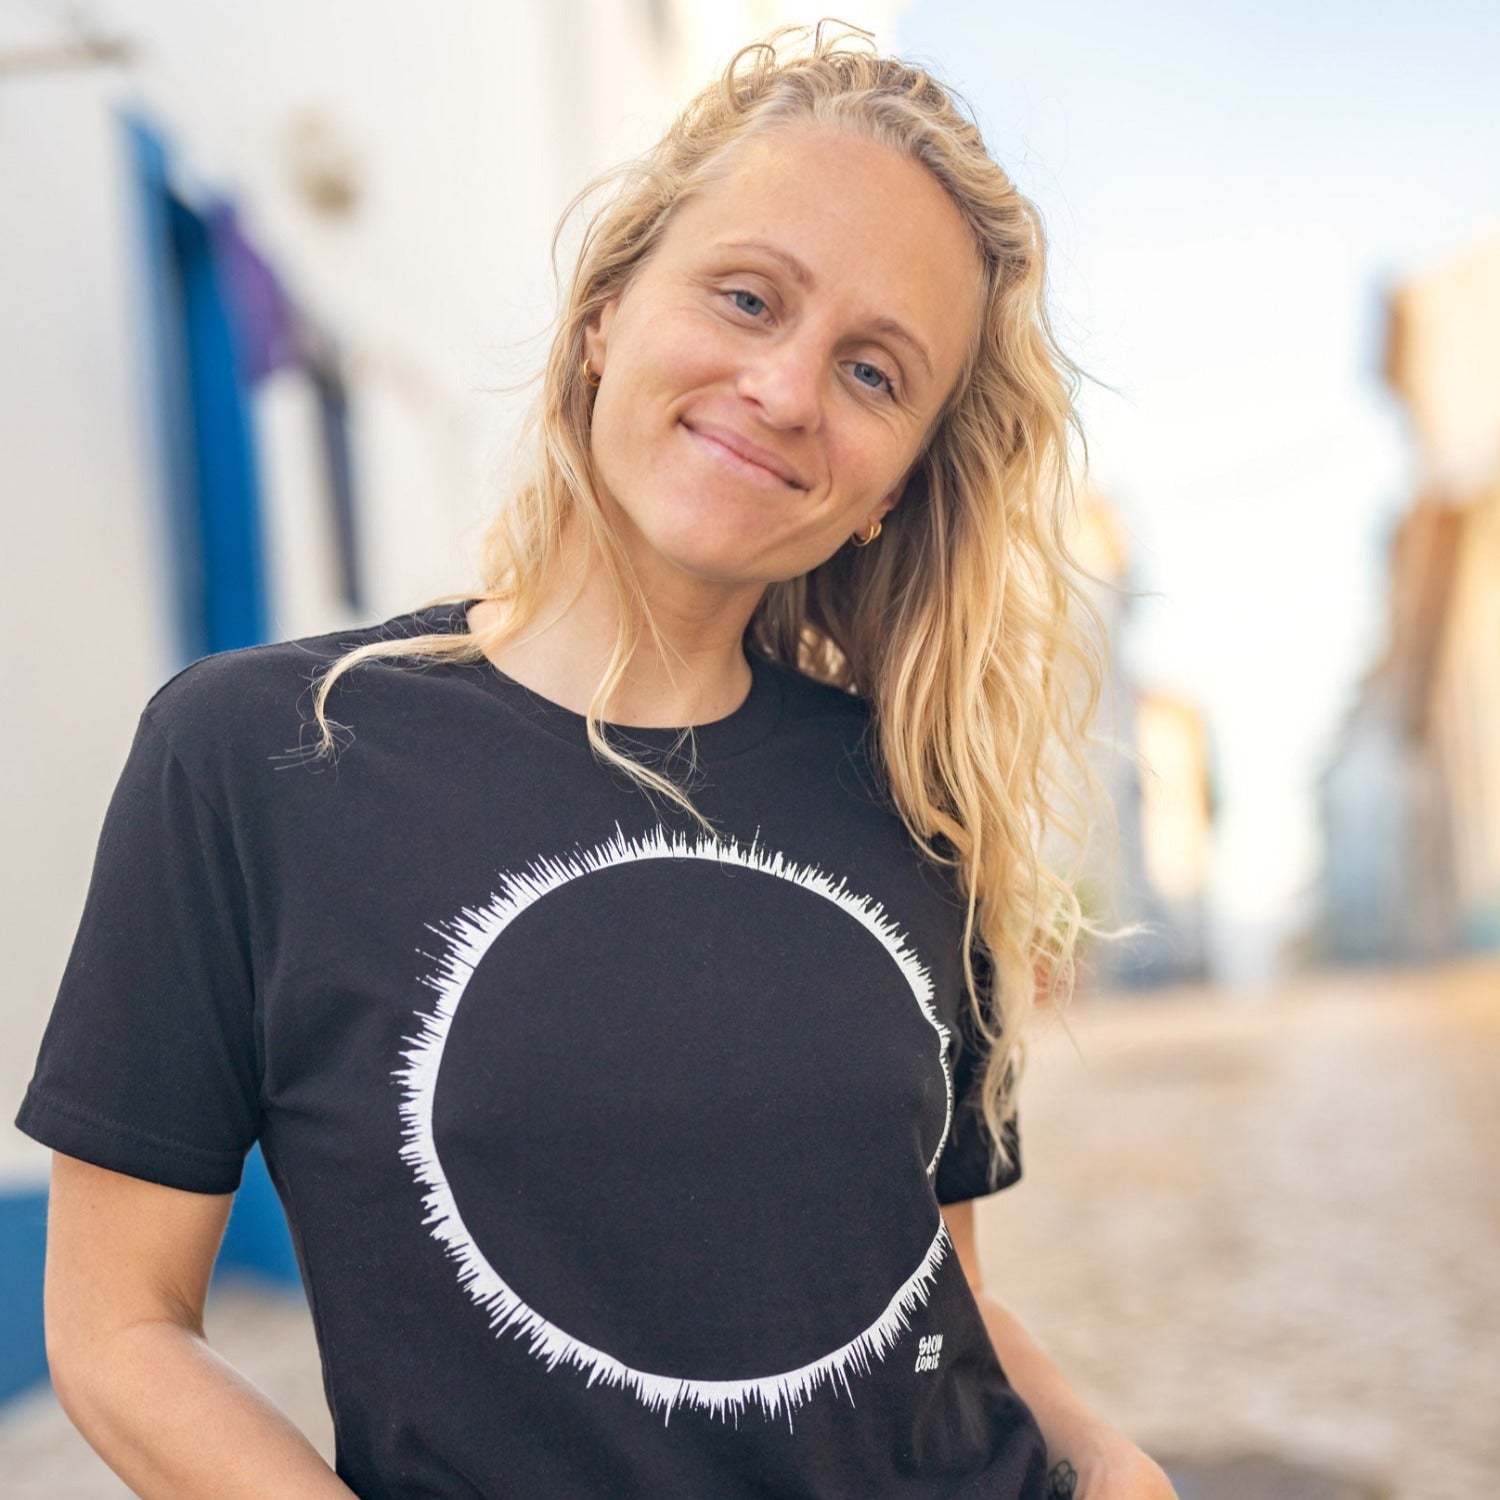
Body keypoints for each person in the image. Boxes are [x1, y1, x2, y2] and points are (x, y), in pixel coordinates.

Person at [16, 20, 1175, 1500]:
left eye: (877, 374)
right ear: (604, 318)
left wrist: (1116, 1468)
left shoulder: (915, 808)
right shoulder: (259, 755)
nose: (788, 388)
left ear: (897, 487)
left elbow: (926, 1297)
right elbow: (116, 1330)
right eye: (748, 297)